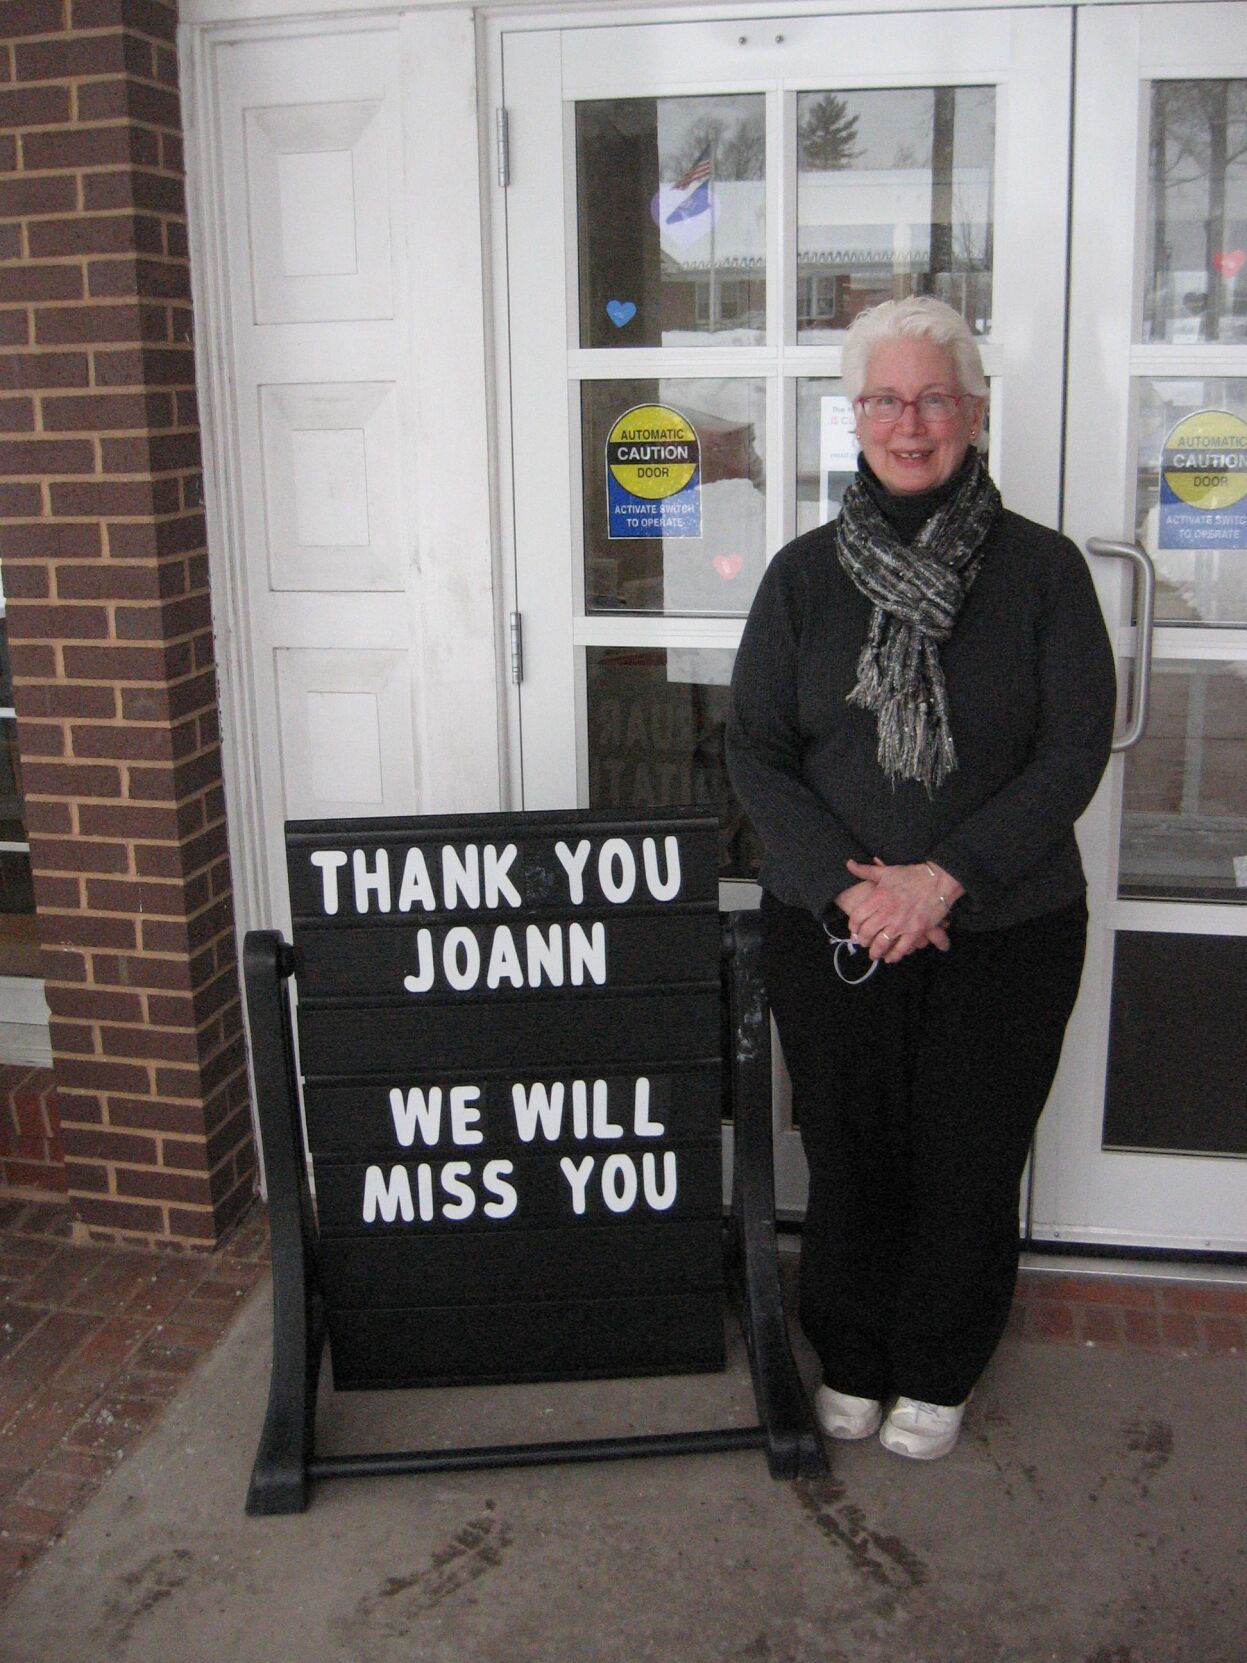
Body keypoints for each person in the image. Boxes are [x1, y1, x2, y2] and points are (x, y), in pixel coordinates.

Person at [726, 296, 1116, 1461]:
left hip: (1005, 922)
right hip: (834, 925)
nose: (911, 423)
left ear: (973, 413)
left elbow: (1070, 750)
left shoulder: (1042, 573)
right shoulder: (800, 578)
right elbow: (753, 749)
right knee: (847, 1142)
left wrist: (940, 879)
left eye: (933, 397)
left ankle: (938, 1363)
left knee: (967, 1147)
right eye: (887, 399)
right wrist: (856, 893)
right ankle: (848, 1348)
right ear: (854, 418)